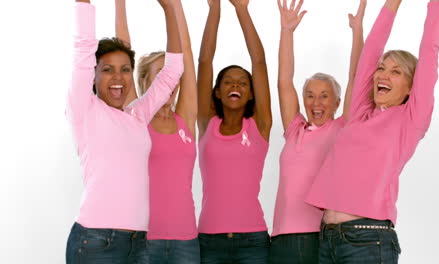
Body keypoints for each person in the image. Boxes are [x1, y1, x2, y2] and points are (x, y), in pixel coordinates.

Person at [305, 0, 439, 262]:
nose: (382, 75)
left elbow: (430, 53)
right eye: (382, 68)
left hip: (368, 241)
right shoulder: (360, 112)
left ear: (410, 87)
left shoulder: (410, 119)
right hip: (327, 239)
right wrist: (392, 4)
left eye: (395, 72)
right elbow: (370, 52)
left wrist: (436, 4)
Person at [65, 0, 183, 263]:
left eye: (125, 70)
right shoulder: (84, 108)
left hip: (138, 244)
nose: (118, 78)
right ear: (92, 75)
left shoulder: (137, 116)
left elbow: (172, 71)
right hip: (96, 242)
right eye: (107, 70)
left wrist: (169, 10)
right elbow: (83, 45)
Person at [270, 0, 366, 263]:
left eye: (324, 96)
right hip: (279, 238)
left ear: (337, 102)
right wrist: (286, 32)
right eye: (310, 96)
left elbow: (357, 78)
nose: (316, 103)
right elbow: (283, 81)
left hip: (317, 237)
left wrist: (357, 31)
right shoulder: (295, 129)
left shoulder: (341, 129)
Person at [115, 0, 199, 262]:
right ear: (144, 82)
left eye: (172, 76)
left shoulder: (185, 117)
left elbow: (185, 53)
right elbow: (122, 49)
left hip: (186, 241)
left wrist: (175, 6)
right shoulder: (135, 116)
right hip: (144, 240)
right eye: (161, 75)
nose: (170, 82)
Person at [197, 0, 272, 262]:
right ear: (217, 92)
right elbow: (204, 61)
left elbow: (259, 62)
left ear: (251, 94)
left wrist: (242, 10)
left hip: (253, 241)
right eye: (227, 81)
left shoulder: (260, 127)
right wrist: (214, 8)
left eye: (242, 82)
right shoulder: (207, 123)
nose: (235, 85)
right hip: (209, 240)